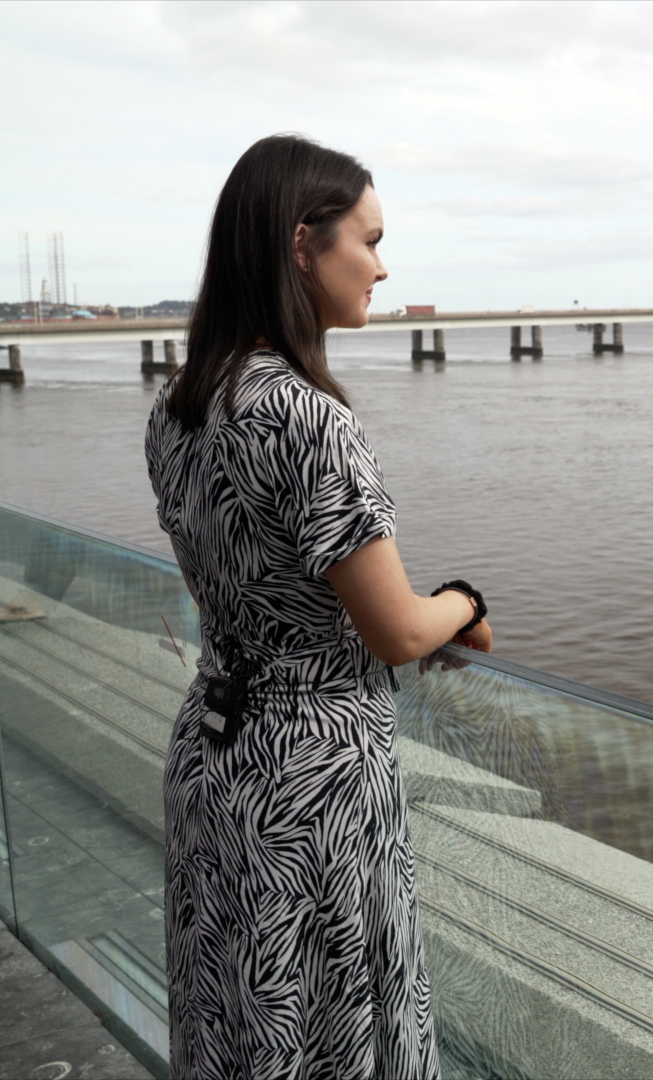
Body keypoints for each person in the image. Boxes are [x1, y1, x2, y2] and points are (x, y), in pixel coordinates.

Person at [145, 133, 488, 1079]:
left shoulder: (178, 411)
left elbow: (237, 586)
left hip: (215, 756)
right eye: (368, 241)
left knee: (240, 1016)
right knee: (340, 1026)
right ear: (304, 245)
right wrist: (464, 601)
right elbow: (395, 631)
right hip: (314, 775)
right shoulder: (307, 417)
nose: (382, 266)